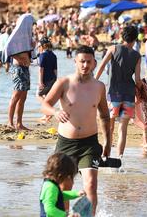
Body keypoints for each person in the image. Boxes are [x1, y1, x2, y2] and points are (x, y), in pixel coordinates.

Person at [41, 45, 112, 216]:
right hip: (66, 143)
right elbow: (45, 104)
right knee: (65, 187)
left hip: (89, 143)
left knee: (91, 184)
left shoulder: (99, 87)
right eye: (82, 61)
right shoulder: (64, 83)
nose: (85, 65)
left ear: (94, 63)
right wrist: (55, 112)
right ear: (75, 62)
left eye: (89, 62)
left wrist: (108, 142)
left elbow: (104, 116)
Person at [95, 26, 143, 156]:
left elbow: (101, 66)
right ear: (135, 39)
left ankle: (106, 155)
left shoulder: (113, 49)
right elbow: (138, 80)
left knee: (109, 128)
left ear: (123, 36)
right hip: (129, 95)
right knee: (123, 129)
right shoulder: (137, 56)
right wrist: (143, 90)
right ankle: (120, 158)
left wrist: (94, 81)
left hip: (113, 94)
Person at [39, 153, 85, 217]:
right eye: (68, 176)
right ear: (61, 174)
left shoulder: (51, 184)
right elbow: (49, 209)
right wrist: (65, 215)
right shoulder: (50, 187)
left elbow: (60, 196)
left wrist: (76, 193)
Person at [8, 49, 32, 131]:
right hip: (18, 69)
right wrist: (20, 59)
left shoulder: (27, 37)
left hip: (25, 69)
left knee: (23, 98)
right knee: (16, 96)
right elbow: (9, 51)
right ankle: (10, 123)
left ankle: (19, 124)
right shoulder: (17, 37)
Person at [37, 38, 58, 123]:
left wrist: (40, 81)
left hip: (45, 80)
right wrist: (56, 80)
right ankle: (47, 115)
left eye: (39, 46)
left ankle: (49, 111)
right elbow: (55, 70)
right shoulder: (53, 55)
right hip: (52, 79)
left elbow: (41, 69)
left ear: (42, 46)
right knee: (47, 97)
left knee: (39, 95)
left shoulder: (43, 55)